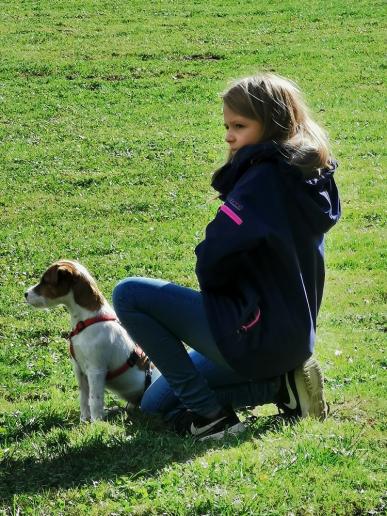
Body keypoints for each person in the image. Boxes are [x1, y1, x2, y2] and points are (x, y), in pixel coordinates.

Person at [112, 72, 341, 440]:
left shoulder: (261, 181)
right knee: (156, 404)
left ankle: (212, 418)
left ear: (273, 124)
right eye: (227, 125)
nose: (229, 135)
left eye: (239, 125)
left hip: (254, 334)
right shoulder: (307, 174)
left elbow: (212, 258)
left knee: (129, 293)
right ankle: (282, 387)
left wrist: (223, 295)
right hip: (290, 338)